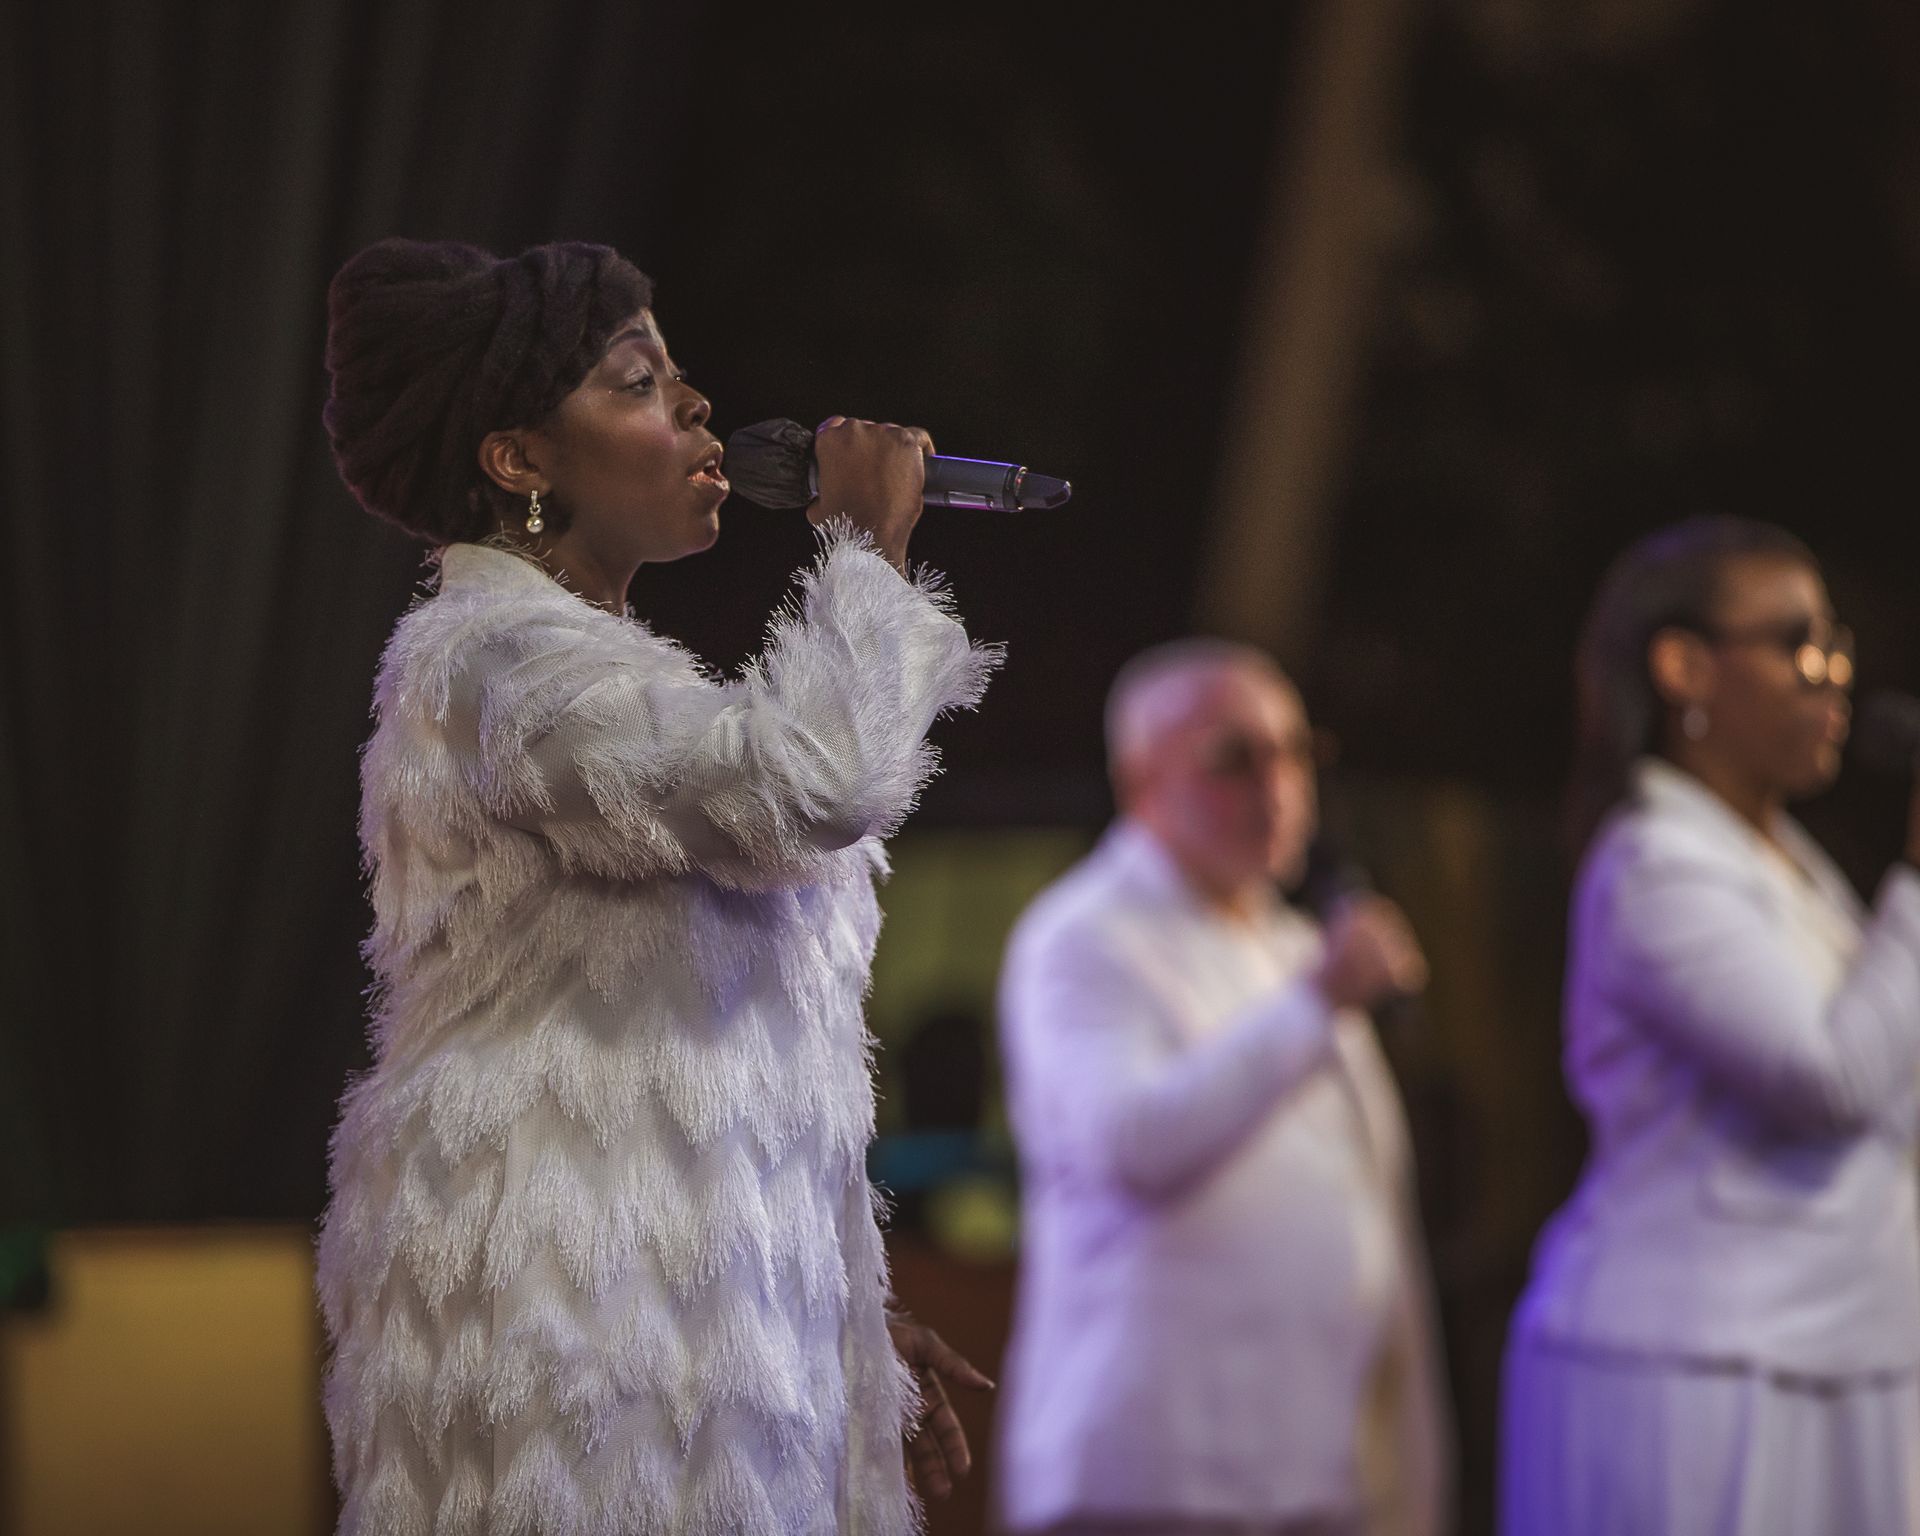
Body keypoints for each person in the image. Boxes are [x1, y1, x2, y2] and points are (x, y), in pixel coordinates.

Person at [314, 238, 998, 1536]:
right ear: (518, 460)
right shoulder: (492, 663)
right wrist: (861, 549)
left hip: (692, 1333)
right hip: (567, 1341)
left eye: (679, 374)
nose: (695, 406)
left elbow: (736, 1057)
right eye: (638, 381)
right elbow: (812, 784)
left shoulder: (616, 680)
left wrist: (832, 1300)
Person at [1500, 517, 1920, 1535]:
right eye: (1797, 644)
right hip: (1695, 1369)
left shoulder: (1794, 864)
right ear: (1685, 666)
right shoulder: (1656, 865)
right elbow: (1829, 1080)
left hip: (1830, 1347)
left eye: (1839, 647)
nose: (1833, 679)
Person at [995, 640, 1453, 1536]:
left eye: (1295, 752)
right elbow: (1132, 1144)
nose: (1277, 787)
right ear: (1139, 780)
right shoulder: (1086, 936)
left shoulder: (1289, 945)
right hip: (1154, 1474)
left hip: (1311, 1471)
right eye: (1234, 759)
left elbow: (1373, 1218)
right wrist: (1318, 1002)